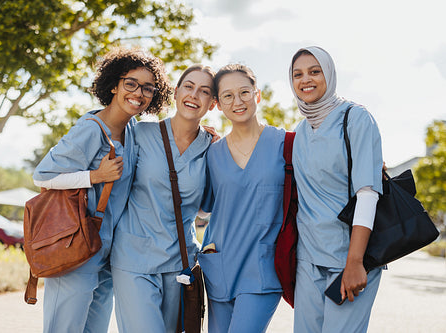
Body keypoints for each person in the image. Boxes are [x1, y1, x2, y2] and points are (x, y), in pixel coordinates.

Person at [32, 47, 172, 333]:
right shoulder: (91, 129)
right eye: (130, 83)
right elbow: (43, 176)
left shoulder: (133, 130)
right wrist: (94, 176)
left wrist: (201, 130)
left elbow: (168, 134)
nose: (139, 93)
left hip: (107, 253)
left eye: (148, 88)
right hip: (76, 248)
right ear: (113, 85)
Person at [110, 64, 217, 332]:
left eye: (204, 91)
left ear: (213, 103)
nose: (194, 95)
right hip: (133, 259)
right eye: (189, 87)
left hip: (178, 265)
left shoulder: (214, 148)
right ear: (176, 92)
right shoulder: (141, 133)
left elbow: (206, 209)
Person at [289, 46, 383, 333]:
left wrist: (355, 261)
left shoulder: (355, 118)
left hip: (350, 256)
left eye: (315, 71)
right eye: (298, 74)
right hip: (309, 258)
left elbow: (367, 193)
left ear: (329, 74)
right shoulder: (299, 131)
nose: (306, 79)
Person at [199, 64, 284, 333]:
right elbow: (203, 207)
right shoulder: (212, 153)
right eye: (227, 95)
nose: (238, 101)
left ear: (257, 95)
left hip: (263, 268)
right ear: (217, 104)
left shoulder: (287, 143)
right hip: (221, 265)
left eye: (244, 92)